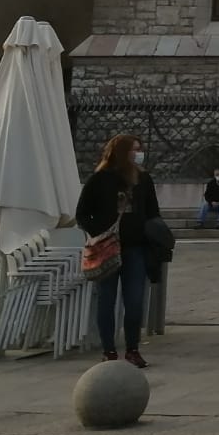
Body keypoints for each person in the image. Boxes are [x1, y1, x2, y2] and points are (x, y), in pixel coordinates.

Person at [75, 133, 160, 367]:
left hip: (135, 248)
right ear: (123, 152)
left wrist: (152, 236)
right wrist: (99, 232)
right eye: (134, 149)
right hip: (108, 248)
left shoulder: (143, 179)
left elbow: (153, 212)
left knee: (134, 301)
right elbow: (82, 213)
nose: (138, 153)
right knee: (107, 299)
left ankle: (132, 348)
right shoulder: (101, 179)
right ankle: (109, 350)